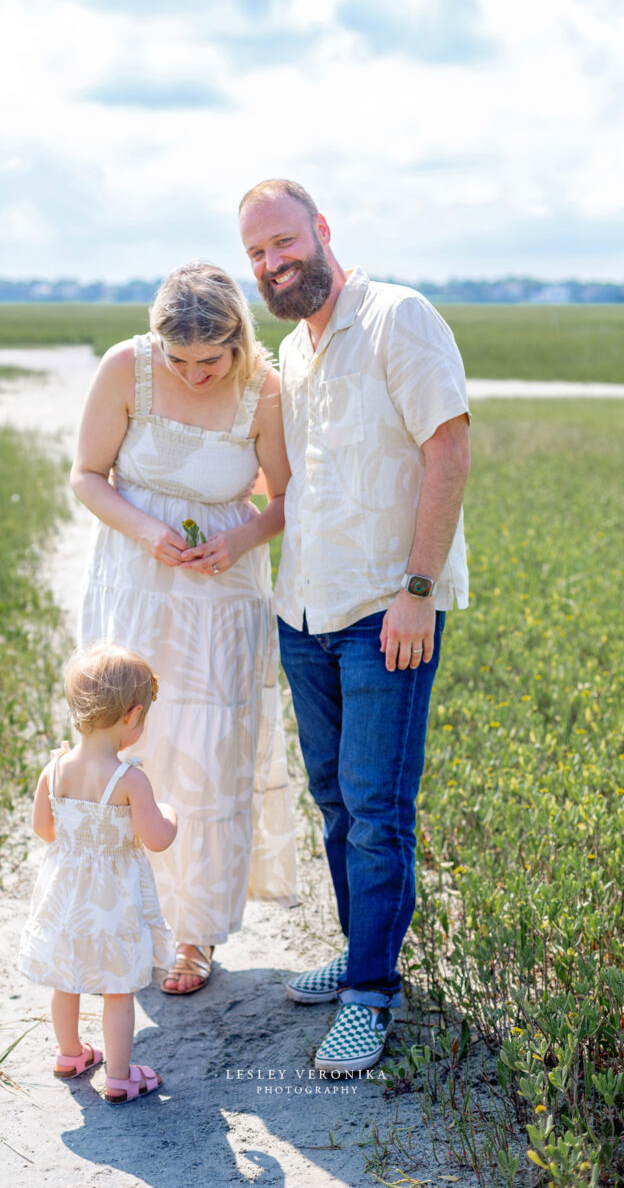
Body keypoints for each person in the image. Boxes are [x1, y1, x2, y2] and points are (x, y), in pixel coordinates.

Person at [239, 179, 471, 1072]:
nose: (272, 263)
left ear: (322, 231)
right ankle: (359, 954)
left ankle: (372, 996)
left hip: (386, 611)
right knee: (336, 801)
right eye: (257, 253)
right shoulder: (293, 353)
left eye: (283, 242)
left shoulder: (396, 318)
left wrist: (417, 588)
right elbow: (289, 485)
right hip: (305, 611)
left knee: (378, 810)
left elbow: (447, 445)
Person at [70, 262, 297, 995]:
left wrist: (240, 540)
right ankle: (125, 917)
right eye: (180, 360)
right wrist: (145, 530)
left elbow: (287, 502)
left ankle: (193, 935)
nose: (196, 375)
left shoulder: (265, 391)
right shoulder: (125, 369)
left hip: (220, 596)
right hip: (134, 585)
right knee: (131, 740)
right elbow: (87, 475)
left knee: (206, 749)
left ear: (239, 341)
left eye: (212, 360)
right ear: (156, 343)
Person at [18, 642, 177, 1104]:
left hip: (66, 895)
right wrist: (169, 813)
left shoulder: (55, 768)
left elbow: (43, 829)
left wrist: (77, 843)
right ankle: (120, 1076)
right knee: (117, 985)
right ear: (131, 716)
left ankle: (70, 1053)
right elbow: (157, 838)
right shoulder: (130, 779)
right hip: (112, 901)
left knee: (65, 975)